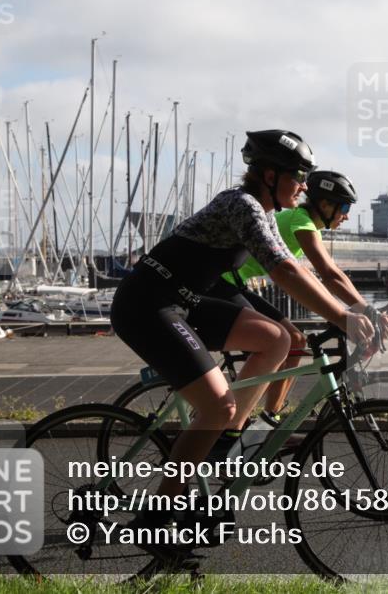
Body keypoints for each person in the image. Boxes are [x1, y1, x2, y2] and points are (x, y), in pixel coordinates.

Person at [110, 130, 374, 534]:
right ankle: (158, 519)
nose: (304, 185)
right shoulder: (242, 205)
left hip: (186, 300)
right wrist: (345, 319)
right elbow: (282, 271)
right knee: (219, 405)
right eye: (298, 176)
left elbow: (298, 268)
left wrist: (353, 309)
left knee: (278, 339)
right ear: (269, 173)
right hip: (147, 304)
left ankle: (224, 440)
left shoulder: (265, 213)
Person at [214, 170, 388, 421]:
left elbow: (316, 277)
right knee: (286, 341)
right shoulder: (300, 221)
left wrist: (351, 311)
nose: (346, 215)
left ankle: (270, 420)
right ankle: (230, 424)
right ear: (324, 204)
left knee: (296, 342)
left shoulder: (305, 223)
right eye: (344, 207)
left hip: (233, 282)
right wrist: (362, 312)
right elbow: (330, 274)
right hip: (220, 284)